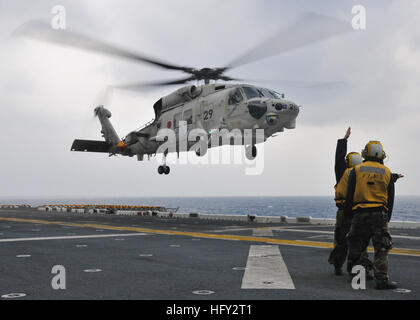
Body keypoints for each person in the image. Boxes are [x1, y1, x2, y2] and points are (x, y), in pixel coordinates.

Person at [344, 140, 403, 289]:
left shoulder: (357, 170)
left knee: (357, 245)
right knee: (382, 247)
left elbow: (349, 195)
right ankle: (382, 280)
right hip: (379, 214)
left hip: (360, 214)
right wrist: (387, 217)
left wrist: (348, 215)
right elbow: (390, 198)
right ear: (381, 154)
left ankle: (357, 276)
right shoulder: (387, 172)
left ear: (365, 153)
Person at [328, 127, 372, 276]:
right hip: (358, 211)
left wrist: (344, 140)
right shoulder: (362, 173)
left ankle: (337, 265)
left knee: (341, 241)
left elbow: (338, 158)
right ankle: (362, 269)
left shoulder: (343, 172)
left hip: (343, 212)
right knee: (359, 241)